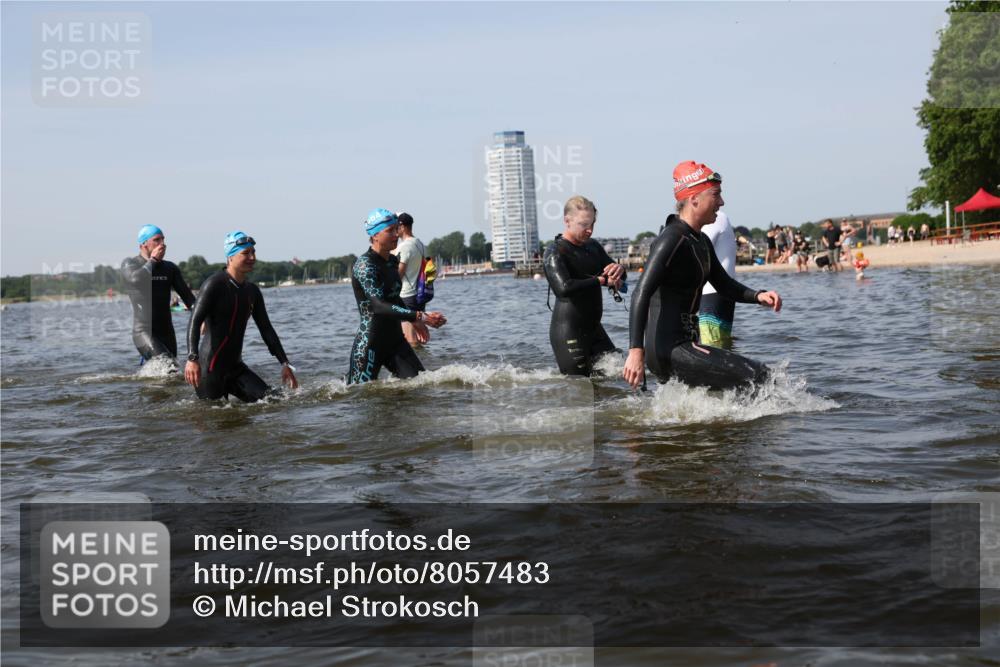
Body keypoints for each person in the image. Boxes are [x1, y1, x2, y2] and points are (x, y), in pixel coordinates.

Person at [623, 161, 782, 391]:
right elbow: (641, 292)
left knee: (727, 394)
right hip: (670, 349)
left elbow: (724, 284)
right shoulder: (672, 238)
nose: (722, 202)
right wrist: (635, 352)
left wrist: (758, 296)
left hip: (686, 345)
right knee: (758, 376)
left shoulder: (701, 241)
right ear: (694, 198)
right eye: (716, 195)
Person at [184, 232, 298, 402]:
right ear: (230, 257)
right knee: (212, 422)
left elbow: (266, 329)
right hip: (210, 371)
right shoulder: (214, 284)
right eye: (245, 253)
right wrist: (192, 358)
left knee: (276, 401)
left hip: (236, 368)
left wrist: (284, 363)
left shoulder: (252, 291)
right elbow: (194, 322)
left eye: (253, 252)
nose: (252, 257)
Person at [348, 209, 446, 384]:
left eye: (396, 229)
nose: (396, 234)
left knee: (420, 386)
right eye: (390, 231)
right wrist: (419, 316)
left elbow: (394, 298)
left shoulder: (392, 262)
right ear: (375, 235)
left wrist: (414, 321)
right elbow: (379, 305)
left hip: (395, 340)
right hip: (371, 343)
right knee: (358, 396)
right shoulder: (365, 265)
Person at [543, 196, 626, 376]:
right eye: (583, 224)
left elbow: (619, 276)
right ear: (567, 221)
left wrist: (619, 270)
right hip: (568, 332)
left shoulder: (593, 247)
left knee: (619, 374)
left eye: (592, 224)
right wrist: (601, 281)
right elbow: (564, 289)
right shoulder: (555, 251)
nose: (589, 230)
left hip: (594, 329)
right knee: (580, 389)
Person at [121, 224, 196, 363]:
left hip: (167, 332)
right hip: (143, 331)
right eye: (157, 240)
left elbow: (189, 299)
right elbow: (135, 280)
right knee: (167, 365)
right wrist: (153, 261)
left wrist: (204, 319)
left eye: (163, 239)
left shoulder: (170, 268)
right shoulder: (130, 263)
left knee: (171, 374)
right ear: (144, 243)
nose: (162, 244)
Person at [698, 211, 738, 349]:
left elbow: (695, 250)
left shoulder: (714, 218)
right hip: (722, 293)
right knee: (721, 347)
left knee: (712, 348)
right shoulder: (720, 218)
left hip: (713, 293)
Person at [393, 212, 431, 346]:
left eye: (395, 226)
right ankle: (424, 362)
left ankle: (417, 365)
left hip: (406, 295)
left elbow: (399, 274)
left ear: (402, 227)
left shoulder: (405, 247)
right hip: (420, 293)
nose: (393, 230)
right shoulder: (420, 244)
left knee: (410, 337)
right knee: (419, 334)